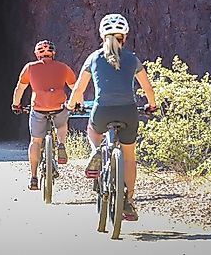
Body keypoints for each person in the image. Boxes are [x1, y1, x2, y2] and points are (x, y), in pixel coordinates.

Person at [66, 13, 158, 221]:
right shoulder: (132, 59)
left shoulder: (93, 58)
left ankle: (96, 150)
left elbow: (79, 88)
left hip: (102, 110)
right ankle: (129, 201)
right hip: (128, 111)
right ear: (124, 37)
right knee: (129, 157)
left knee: (93, 129)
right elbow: (148, 88)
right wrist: (152, 105)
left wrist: (71, 105)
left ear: (101, 35)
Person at [11, 40, 78, 191]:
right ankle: (61, 144)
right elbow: (76, 89)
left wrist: (16, 105)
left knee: (35, 141)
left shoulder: (30, 68)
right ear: (53, 53)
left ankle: (33, 177)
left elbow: (19, 89)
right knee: (61, 124)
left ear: (37, 54)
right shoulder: (63, 68)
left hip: (39, 108)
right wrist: (79, 104)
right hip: (58, 106)